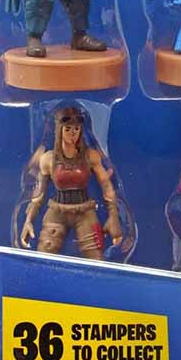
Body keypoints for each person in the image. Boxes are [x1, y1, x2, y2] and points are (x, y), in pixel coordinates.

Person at [20, 106, 122, 259]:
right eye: (68, 129)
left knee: (95, 256)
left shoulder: (90, 156)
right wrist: (28, 221)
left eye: (76, 129)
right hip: (57, 212)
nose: (72, 133)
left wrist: (113, 216)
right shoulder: (48, 159)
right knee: (45, 253)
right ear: (59, 130)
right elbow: (38, 194)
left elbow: (106, 185)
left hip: (85, 211)